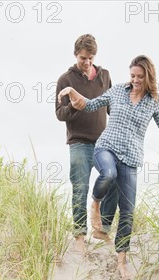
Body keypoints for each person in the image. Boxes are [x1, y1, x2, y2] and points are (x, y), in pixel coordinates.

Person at [58, 55, 159, 278]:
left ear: (148, 76)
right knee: (108, 173)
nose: (135, 80)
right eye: (132, 75)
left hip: (132, 158)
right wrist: (71, 92)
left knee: (127, 212)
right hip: (106, 147)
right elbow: (91, 104)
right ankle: (95, 204)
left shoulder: (153, 103)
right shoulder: (117, 91)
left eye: (139, 76)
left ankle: (122, 261)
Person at [55, 34, 118, 254]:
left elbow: (112, 108)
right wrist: (74, 106)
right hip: (79, 143)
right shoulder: (65, 80)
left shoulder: (105, 76)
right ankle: (80, 235)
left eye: (91, 58)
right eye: (83, 58)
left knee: (113, 177)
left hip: (103, 142)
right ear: (75, 55)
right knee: (80, 188)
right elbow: (60, 114)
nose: (87, 62)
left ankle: (102, 228)